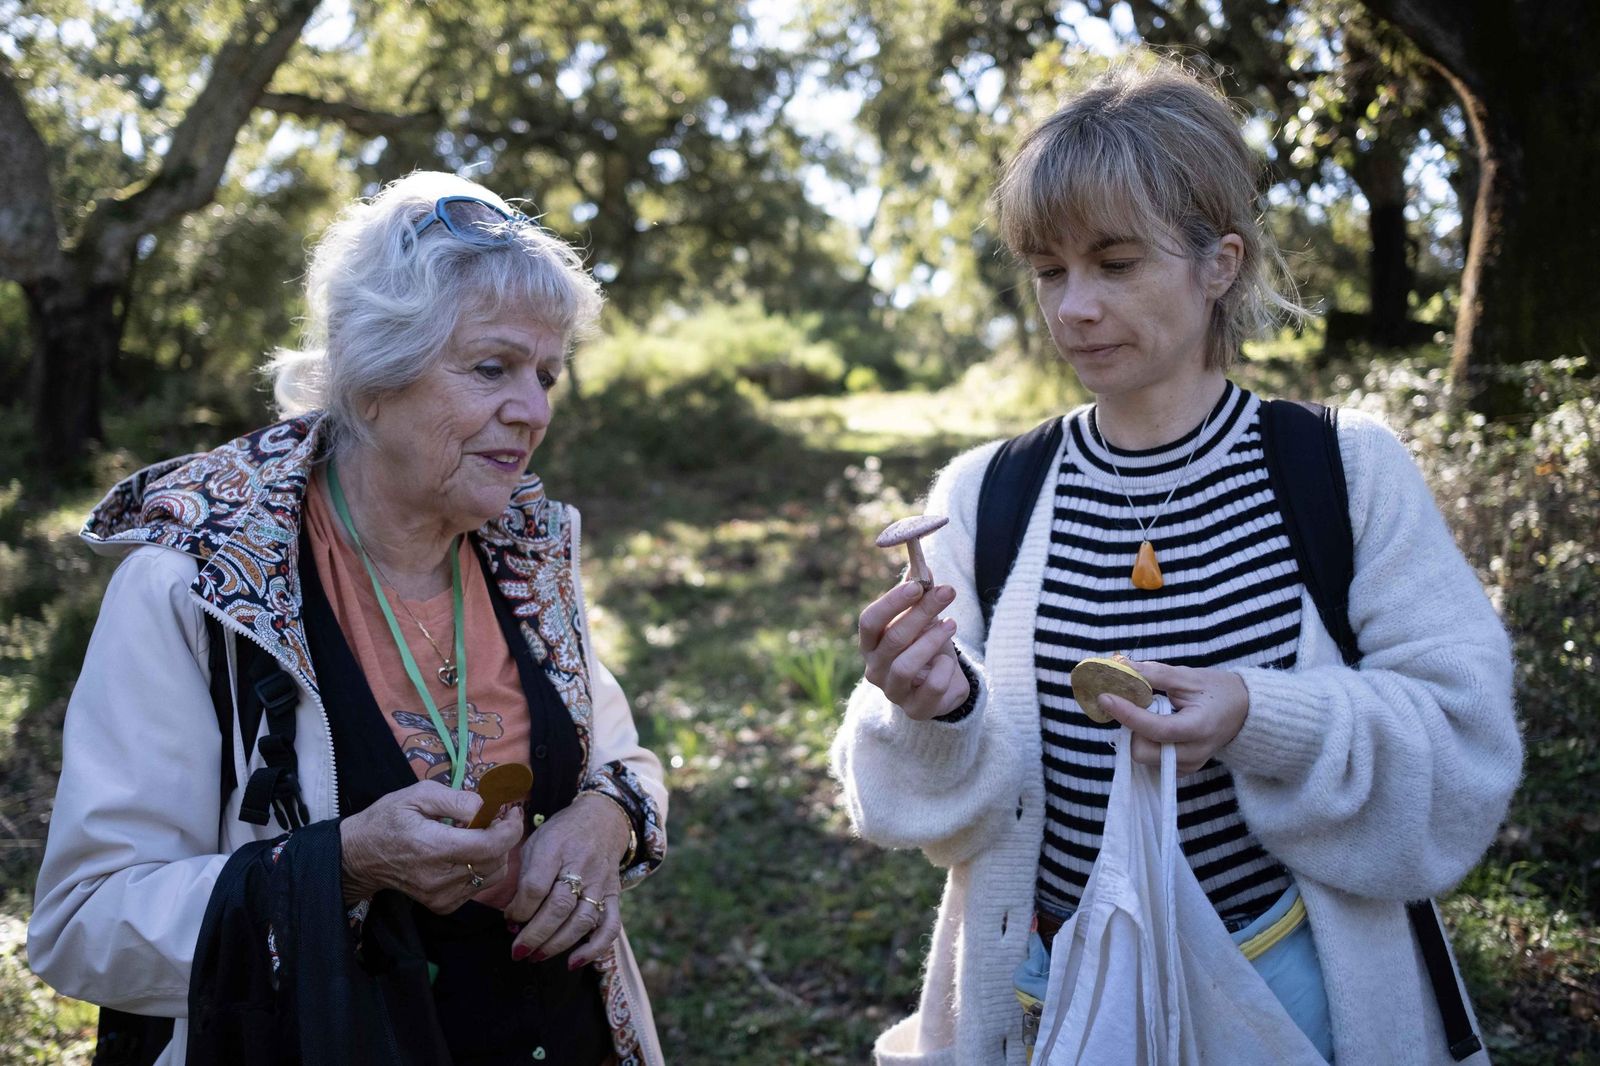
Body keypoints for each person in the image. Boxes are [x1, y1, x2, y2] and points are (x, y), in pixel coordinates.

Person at [832, 59, 1520, 1066]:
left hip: (1293, 982)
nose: (1072, 308)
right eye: (1049, 270)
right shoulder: (987, 494)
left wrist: (1257, 715)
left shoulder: (1340, 470)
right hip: (1051, 988)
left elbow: (1465, 740)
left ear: (1218, 264)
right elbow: (922, 802)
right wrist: (933, 708)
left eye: (1113, 264)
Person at [29, 172, 667, 1066]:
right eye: (492, 368)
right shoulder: (195, 586)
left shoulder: (524, 552)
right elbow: (86, 923)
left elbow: (619, 755)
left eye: (546, 373)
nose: (534, 409)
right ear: (373, 376)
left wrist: (608, 817)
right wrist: (345, 866)